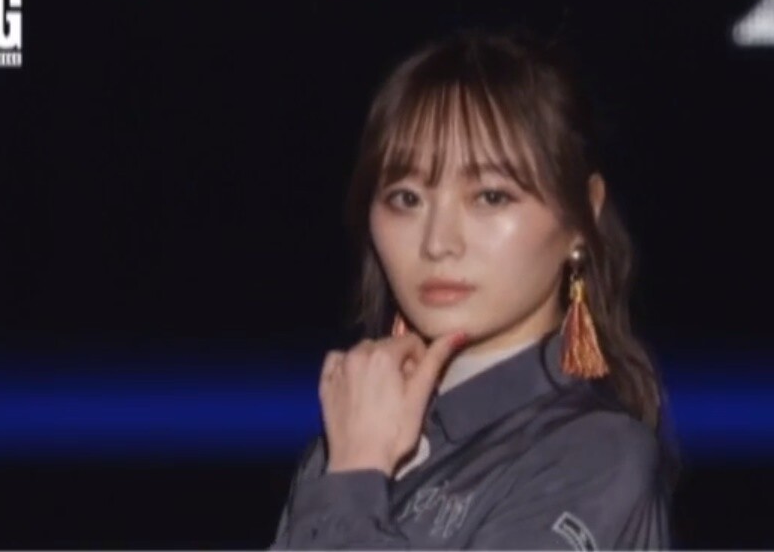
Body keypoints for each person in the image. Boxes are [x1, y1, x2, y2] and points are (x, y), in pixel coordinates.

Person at [268, 27, 677, 550]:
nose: (438, 242)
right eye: (406, 198)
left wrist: (354, 479)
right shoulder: (355, 433)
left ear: (582, 216)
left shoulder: (597, 455)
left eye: (490, 197)